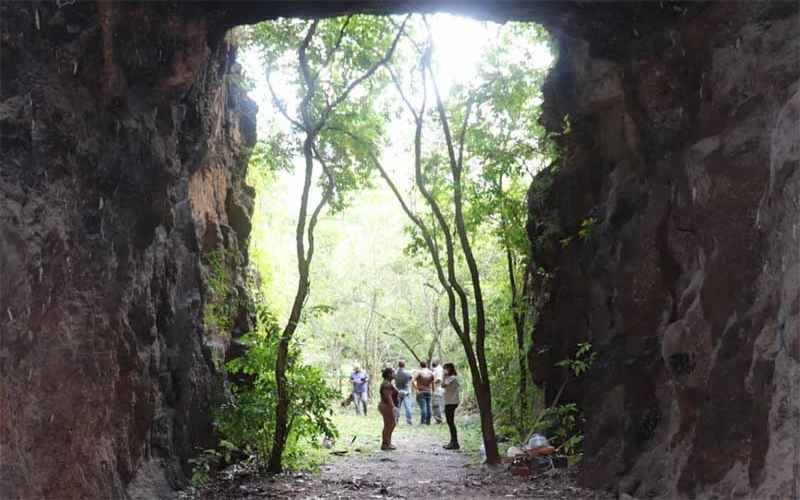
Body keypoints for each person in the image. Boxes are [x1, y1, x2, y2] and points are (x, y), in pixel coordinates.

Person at [378, 367, 398, 451]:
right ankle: (385, 444)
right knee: (388, 425)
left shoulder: (387, 383)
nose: (395, 374)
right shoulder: (387, 384)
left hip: (387, 406)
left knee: (392, 424)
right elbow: (388, 396)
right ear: (389, 374)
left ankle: (388, 442)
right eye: (393, 372)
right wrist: (392, 407)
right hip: (387, 406)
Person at [442, 362, 461, 450]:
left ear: (450, 369)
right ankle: (453, 441)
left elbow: (443, 385)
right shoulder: (450, 378)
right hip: (449, 401)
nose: (444, 370)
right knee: (450, 422)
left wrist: (444, 376)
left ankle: (455, 442)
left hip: (451, 402)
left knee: (450, 422)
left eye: (445, 368)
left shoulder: (452, 378)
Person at [412, 361, 434, 425]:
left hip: (421, 391)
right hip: (428, 391)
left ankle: (423, 422)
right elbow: (433, 383)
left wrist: (416, 389)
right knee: (428, 406)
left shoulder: (419, 372)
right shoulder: (431, 373)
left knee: (423, 407)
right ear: (426, 365)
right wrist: (433, 390)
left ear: (420, 365)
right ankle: (428, 421)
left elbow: (412, 380)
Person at [394, 360, 413, 425]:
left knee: (397, 406)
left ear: (398, 365)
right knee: (408, 406)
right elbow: (410, 379)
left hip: (398, 390)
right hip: (406, 390)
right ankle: (409, 420)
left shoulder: (395, 373)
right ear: (404, 365)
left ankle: (396, 420)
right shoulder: (408, 373)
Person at [431, 358, 444, 424]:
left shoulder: (438, 369)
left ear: (437, 362)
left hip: (437, 389)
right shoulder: (436, 369)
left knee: (436, 405)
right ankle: (437, 419)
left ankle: (439, 420)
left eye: (434, 361)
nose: (433, 362)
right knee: (434, 405)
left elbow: (439, 379)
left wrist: (431, 382)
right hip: (435, 390)